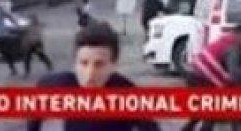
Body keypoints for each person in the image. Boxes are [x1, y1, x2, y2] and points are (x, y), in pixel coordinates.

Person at [26, 21, 160, 131]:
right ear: (75, 63)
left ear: (113, 65)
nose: (90, 74)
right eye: (84, 63)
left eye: (99, 64)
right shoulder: (61, 84)